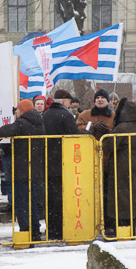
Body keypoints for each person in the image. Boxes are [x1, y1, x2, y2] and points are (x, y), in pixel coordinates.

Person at [0, 99, 45, 241]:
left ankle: (26, 231)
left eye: (17, 110)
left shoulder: (22, 123)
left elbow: (4, 130)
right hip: (34, 168)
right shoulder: (39, 122)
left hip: (22, 168)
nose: (16, 113)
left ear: (22, 110)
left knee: (21, 202)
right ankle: (35, 230)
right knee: (32, 200)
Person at [103, 98, 136, 236]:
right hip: (135, 161)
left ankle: (122, 227)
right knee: (133, 193)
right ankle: (132, 227)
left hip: (121, 161)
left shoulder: (121, 127)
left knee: (120, 194)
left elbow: (109, 146)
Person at [43, 89, 78, 239]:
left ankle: (51, 229)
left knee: (50, 198)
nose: (70, 105)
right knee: (63, 197)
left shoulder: (45, 115)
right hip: (63, 162)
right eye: (69, 102)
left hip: (47, 163)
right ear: (64, 101)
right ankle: (62, 229)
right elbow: (74, 137)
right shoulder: (66, 115)